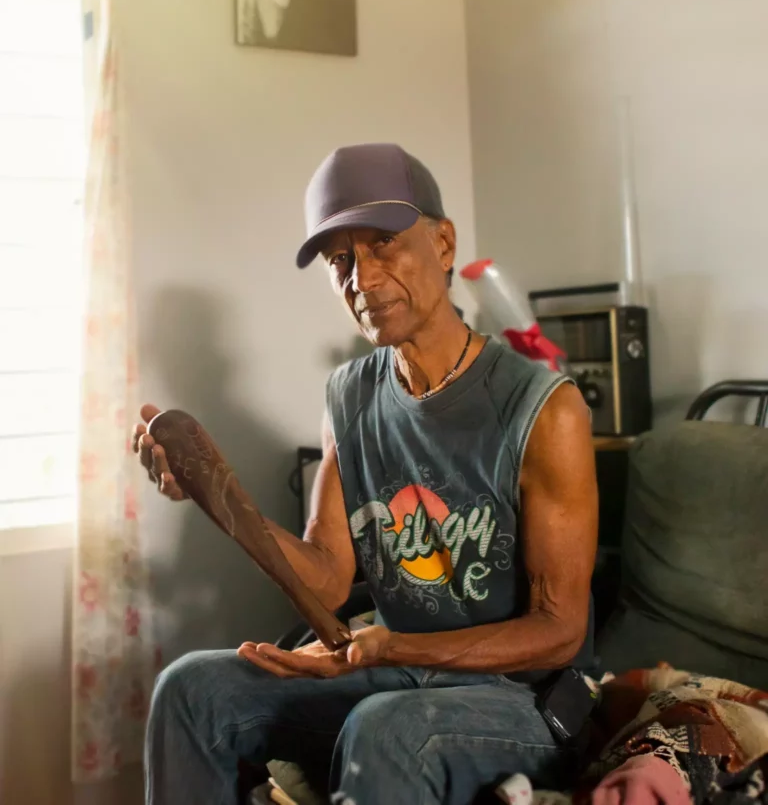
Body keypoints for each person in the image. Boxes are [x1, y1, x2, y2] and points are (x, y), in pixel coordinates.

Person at [137, 143, 598, 805]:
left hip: (521, 699)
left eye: (383, 245)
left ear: (443, 244)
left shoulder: (544, 408)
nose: (363, 277)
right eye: (341, 260)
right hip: (392, 671)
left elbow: (558, 632)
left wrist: (392, 649)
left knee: (383, 730)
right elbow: (327, 576)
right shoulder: (349, 396)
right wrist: (219, 499)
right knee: (191, 688)